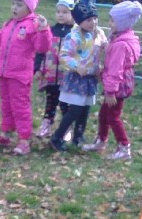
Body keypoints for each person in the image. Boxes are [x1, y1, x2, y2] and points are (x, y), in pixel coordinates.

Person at [0, 0, 52, 156]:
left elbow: (42, 47)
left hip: (20, 75)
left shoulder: (33, 25)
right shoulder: (9, 23)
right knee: (6, 105)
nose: (14, 7)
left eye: (19, 5)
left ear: (29, 8)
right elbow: (1, 43)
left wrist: (43, 30)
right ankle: (5, 134)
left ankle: (24, 140)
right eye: (13, 3)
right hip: (4, 72)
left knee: (20, 107)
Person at [81, 0, 141, 160]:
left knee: (113, 117)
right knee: (104, 114)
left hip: (117, 86)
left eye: (113, 21)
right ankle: (101, 140)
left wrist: (110, 91)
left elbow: (115, 70)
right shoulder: (123, 37)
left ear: (122, 23)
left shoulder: (121, 44)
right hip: (120, 83)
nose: (109, 23)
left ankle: (124, 146)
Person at [49, 0, 107, 152]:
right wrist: (76, 66)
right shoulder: (73, 36)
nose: (93, 22)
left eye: (95, 18)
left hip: (90, 78)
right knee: (74, 110)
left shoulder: (99, 33)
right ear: (79, 21)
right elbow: (64, 55)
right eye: (88, 20)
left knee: (85, 108)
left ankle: (78, 137)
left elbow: (106, 47)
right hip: (77, 78)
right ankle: (57, 137)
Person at [34, 0, 75, 139]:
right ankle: (46, 125)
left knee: (65, 104)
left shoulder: (75, 33)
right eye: (58, 12)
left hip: (67, 77)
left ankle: (66, 128)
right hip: (50, 75)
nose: (60, 15)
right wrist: (37, 68)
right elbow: (40, 50)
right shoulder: (50, 31)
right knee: (50, 102)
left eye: (65, 12)